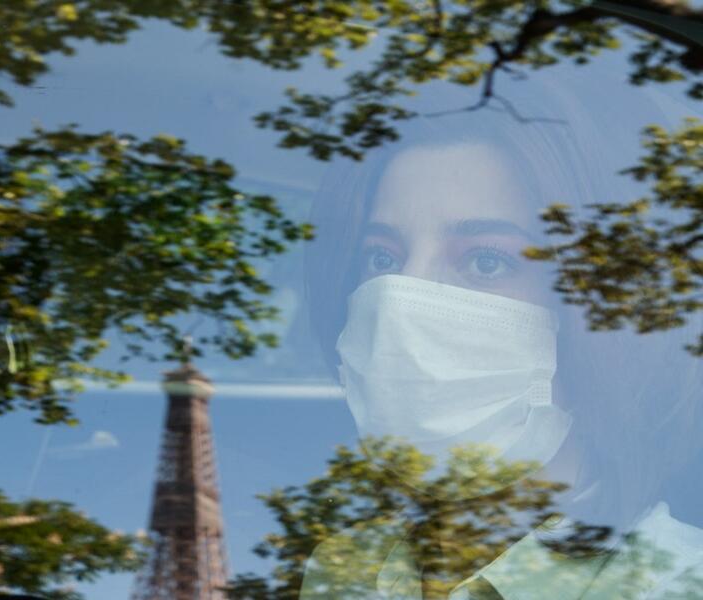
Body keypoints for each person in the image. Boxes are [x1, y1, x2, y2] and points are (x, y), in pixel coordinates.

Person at [299, 72, 703, 599]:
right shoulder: (340, 570)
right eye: (382, 259)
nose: (401, 303)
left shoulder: (678, 584)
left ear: (603, 312)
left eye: (486, 261)